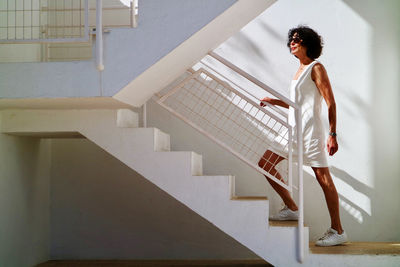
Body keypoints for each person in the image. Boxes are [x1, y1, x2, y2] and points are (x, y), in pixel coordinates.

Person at [259, 26, 348, 246]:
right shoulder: (299, 70)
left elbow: (331, 102)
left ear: (308, 43)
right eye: (291, 39)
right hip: (292, 131)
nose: (292, 42)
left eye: (297, 39)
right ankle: (291, 207)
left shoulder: (316, 68)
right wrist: (275, 101)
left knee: (323, 178)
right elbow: (297, 105)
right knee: (265, 163)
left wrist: (333, 134)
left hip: (310, 132)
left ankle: (338, 230)